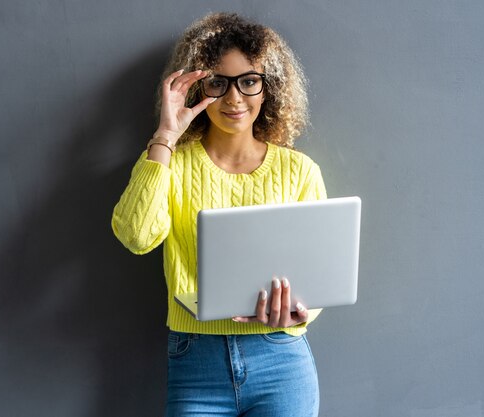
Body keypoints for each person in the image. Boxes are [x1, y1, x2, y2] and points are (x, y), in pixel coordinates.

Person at [112, 12, 326, 417]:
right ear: (197, 88)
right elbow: (136, 236)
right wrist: (165, 137)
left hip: (280, 358)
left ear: (268, 89)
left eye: (249, 81)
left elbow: (318, 276)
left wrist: (300, 309)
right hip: (196, 360)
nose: (234, 99)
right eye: (218, 83)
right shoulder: (170, 163)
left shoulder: (300, 171)